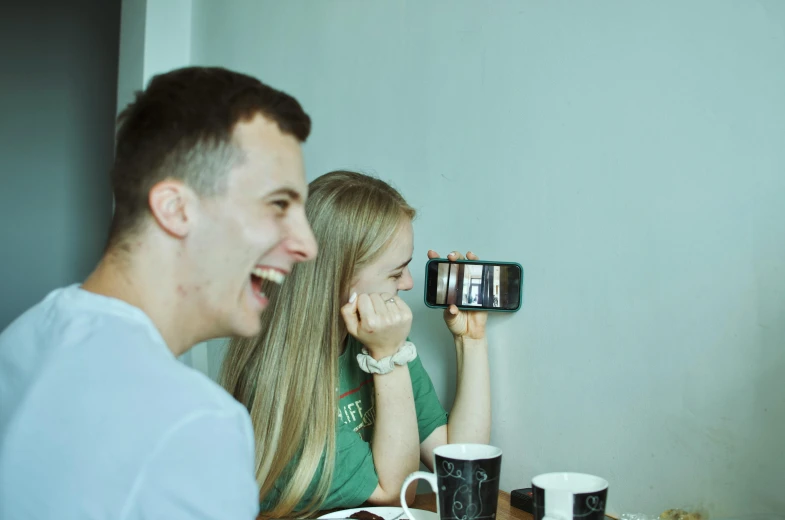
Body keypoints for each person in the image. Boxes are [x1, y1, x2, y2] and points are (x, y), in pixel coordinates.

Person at [0, 66, 318, 520]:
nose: (308, 244)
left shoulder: (22, 338)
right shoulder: (196, 424)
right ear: (175, 209)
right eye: (278, 204)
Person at [221, 170, 492, 518]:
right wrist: (388, 359)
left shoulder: (378, 339)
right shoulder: (279, 382)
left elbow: (460, 459)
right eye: (396, 273)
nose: (408, 283)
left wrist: (471, 341)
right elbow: (394, 492)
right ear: (340, 279)